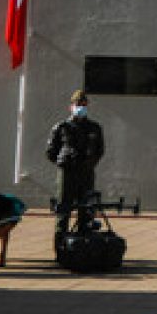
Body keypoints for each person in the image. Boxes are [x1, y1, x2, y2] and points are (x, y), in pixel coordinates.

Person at [46, 89, 105, 255]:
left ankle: (83, 248)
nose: (81, 107)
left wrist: (89, 164)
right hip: (67, 174)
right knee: (63, 211)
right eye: (78, 104)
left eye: (84, 105)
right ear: (71, 107)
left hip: (86, 174)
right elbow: (51, 150)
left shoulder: (94, 128)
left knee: (86, 211)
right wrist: (63, 163)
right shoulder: (62, 127)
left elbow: (99, 150)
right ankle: (60, 250)